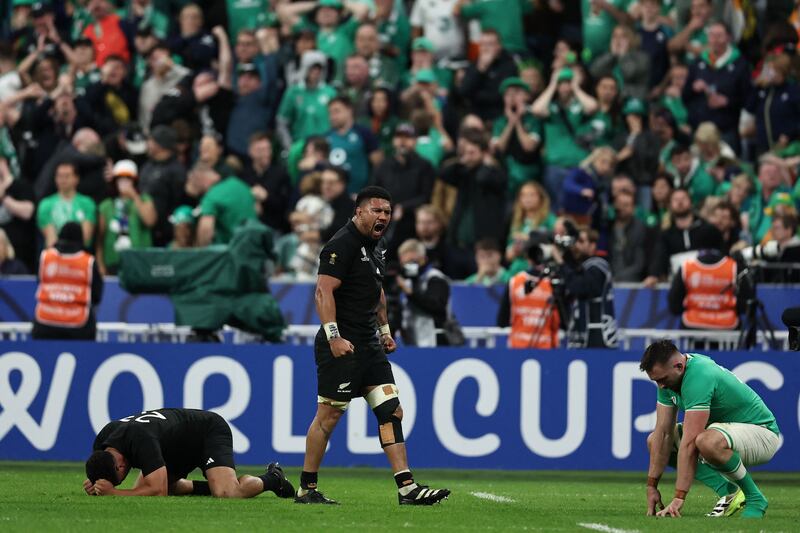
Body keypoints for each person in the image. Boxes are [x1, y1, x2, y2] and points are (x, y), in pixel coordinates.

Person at [297, 185, 450, 505]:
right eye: (376, 210)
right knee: (329, 416)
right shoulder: (341, 244)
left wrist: (384, 330)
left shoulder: (377, 245)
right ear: (359, 212)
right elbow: (323, 292)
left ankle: (407, 488)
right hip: (342, 344)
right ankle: (306, 489)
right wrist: (333, 335)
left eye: (387, 211)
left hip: (369, 344)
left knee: (391, 410)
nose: (383, 216)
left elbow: (376, 292)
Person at [640, 339, 780, 518]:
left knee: (705, 441)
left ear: (679, 366)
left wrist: (679, 498)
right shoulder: (669, 379)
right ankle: (729, 491)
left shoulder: (700, 375)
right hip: (725, 431)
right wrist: (651, 486)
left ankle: (755, 498)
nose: (661, 386)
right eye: (656, 381)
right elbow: (664, 434)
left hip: (762, 433)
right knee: (655, 441)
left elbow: (690, 443)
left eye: (662, 379)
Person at [84, 408, 295, 499]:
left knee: (227, 494)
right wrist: (94, 482)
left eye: (118, 478)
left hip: (206, 432)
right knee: (152, 488)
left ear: (119, 466)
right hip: (175, 446)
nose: (121, 479)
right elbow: (102, 468)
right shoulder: (104, 440)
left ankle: (272, 479)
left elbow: (158, 491)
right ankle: (213, 485)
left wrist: (114, 493)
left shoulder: (139, 439)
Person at [32, 222, 103, 340]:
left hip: (45, 323)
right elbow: (97, 295)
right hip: (79, 327)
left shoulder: (45, 257)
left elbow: (40, 281)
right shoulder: (88, 262)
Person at [552, 224, 618, 348]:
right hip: (580, 336)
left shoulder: (599, 266)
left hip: (598, 337)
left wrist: (561, 262)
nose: (576, 245)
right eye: (575, 241)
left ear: (592, 245)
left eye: (581, 241)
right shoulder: (576, 268)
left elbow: (580, 287)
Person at [497, 240, 561, 349]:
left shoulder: (514, 282)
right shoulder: (554, 283)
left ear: (528, 257)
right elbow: (561, 322)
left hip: (518, 347)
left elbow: (502, 321)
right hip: (546, 349)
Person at [96, 160, 156, 275]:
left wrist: (134, 196)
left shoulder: (144, 200)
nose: (124, 183)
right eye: (120, 179)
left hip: (140, 262)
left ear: (135, 181)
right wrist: (100, 264)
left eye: (128, 179)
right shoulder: (106, 205)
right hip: (113, 262)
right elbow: (99, 239)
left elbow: (150, 221)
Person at [395, 238, 455, 347]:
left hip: (435, 341)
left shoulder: (436, 278)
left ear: (423, 259)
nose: (409, 267)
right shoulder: (404, 282)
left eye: (413, 262)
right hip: (409, 341)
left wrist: (411, 293)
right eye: (405, 263)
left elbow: (436, 307)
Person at [193, 164, 256, 246]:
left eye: (196, 183)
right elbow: (258, 209)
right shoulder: (241, 185)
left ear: (200, 178)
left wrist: (202, 251)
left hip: (231, 251)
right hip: (254, 245)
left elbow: (206, 230)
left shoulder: (211, 196)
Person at [37, 161, 96, 248]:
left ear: (76, 178)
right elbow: (51, 240)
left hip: (80, 254)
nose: (63, 180)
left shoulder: (87, 203)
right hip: (56, 255)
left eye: (67, 176)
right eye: (59, 176)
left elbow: (85, 238)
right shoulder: (45, 205)